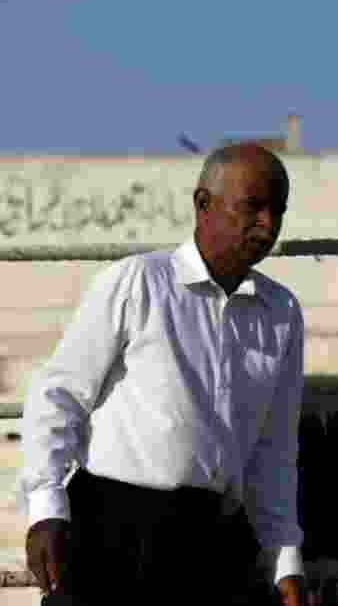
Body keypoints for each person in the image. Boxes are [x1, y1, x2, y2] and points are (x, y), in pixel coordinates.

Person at [15, 143, 309, 605]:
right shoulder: (137, 283)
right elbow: (59, 395)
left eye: (278, 211)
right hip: (108, 532)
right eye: (253, 207)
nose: (267, 225)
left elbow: (274, 452)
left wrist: (284, 559)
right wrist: (45, 508)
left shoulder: (282, 312)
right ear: (203, 204)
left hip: (212, 540)